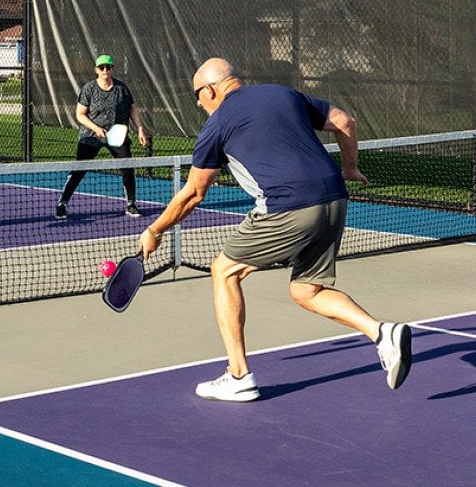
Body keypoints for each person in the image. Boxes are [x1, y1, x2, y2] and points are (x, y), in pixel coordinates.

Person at [139, 58, 411, 402]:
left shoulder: (217, 123)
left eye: (197, 95)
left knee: (223, 271)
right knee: (306, 291)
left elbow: (194, 193)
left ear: (210, 90)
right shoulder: (284, 94)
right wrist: (351, 169)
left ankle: (238, 375)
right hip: (334, 199)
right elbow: (345, 121)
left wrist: (156, 229)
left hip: (288, 205)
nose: (197, 103)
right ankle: (382, 333)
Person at [55, 54, 148, 219]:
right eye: (101, 67)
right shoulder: (89, 89)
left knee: (127, 168)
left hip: (117, 136)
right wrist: (96, 128)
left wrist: (140, 128)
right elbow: (80, 114)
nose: (105, 70)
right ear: (96, 70)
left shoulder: (122, 89)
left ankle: (131, 204)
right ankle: (62, 203)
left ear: (112, 69)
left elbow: (132, 108)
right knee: (79, 170)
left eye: (108, 67)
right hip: (91, 136)